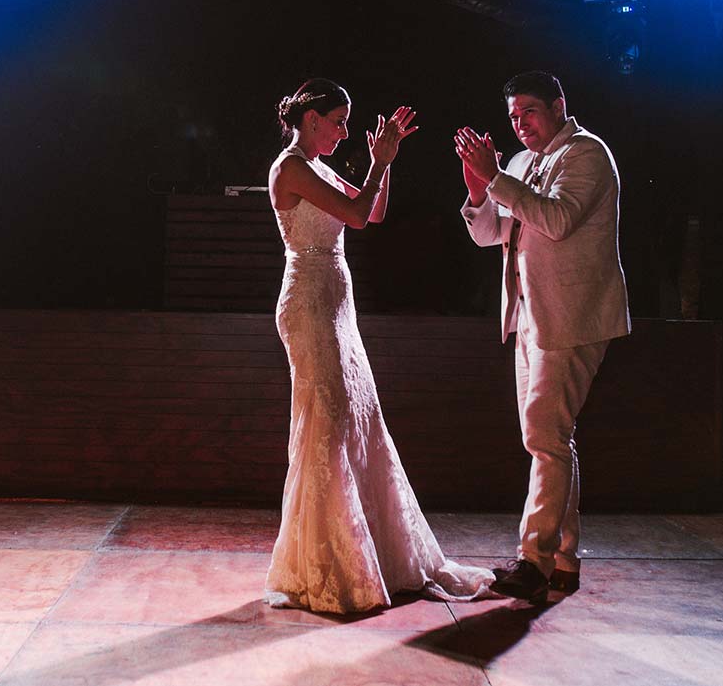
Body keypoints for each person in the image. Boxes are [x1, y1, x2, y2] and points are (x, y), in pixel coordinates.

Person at [264, 78, 495, 613]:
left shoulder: (318, 167)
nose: (345, 131)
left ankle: (370, 555)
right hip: (309, 303)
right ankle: (325, 564)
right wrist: (376, 164)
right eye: (339, 121)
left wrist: (382, 162)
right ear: (312, 119)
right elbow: (353, 213)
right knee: (327, 423)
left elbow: (372, 213)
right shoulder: (290, 167)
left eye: (348, 123)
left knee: (355, 422)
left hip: (336, 305)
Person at [454, 70, 630, 602]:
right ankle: (562, 561)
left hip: (572, 315)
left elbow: (557, 221)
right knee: (551, 439)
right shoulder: (520, 162)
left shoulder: (587, 154)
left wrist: (498, 180)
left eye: (529, 111)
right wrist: (480, 191)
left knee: (542, 437)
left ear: (558, 106)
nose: (520, 123)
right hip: (529, 315)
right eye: (513, 116)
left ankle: (533, 560)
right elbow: (493, 234)